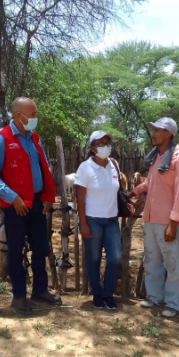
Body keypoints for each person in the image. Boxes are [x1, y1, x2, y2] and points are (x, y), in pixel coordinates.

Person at [0, 97, 61, 316]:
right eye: (33, 114)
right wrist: (13, 197)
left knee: (41, 248)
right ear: (19, 116)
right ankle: (18, 297)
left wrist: (47, 195)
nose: (36, 118)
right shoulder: (2, 139)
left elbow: (43, 166)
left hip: (36, 203)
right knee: (16, 252)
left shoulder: (34, 137)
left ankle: (39, 291)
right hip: (15, 206)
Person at [129, 117, 179, 318]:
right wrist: (134, 192)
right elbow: (151, 182)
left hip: (167, 221)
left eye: (158, 130)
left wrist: (173, 223)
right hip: (151, 218)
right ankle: (155, 297)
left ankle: (173, 304)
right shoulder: (157, 157)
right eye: (153, 129)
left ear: (168, 134)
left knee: (172, 263)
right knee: (152, 259)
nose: (153, 133)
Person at [74, 131, 123, 310]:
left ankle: (108, 294)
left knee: (115, 258)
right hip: (93, 220)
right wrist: (83, 223)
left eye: (107, 142)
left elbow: (116, 191)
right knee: (93, 258)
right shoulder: (85, 168)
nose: (105, 146)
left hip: (111, 220)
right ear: (92, 148)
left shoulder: (115, 165)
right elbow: (80, 199)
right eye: (100, 143)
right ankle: (97, 295)